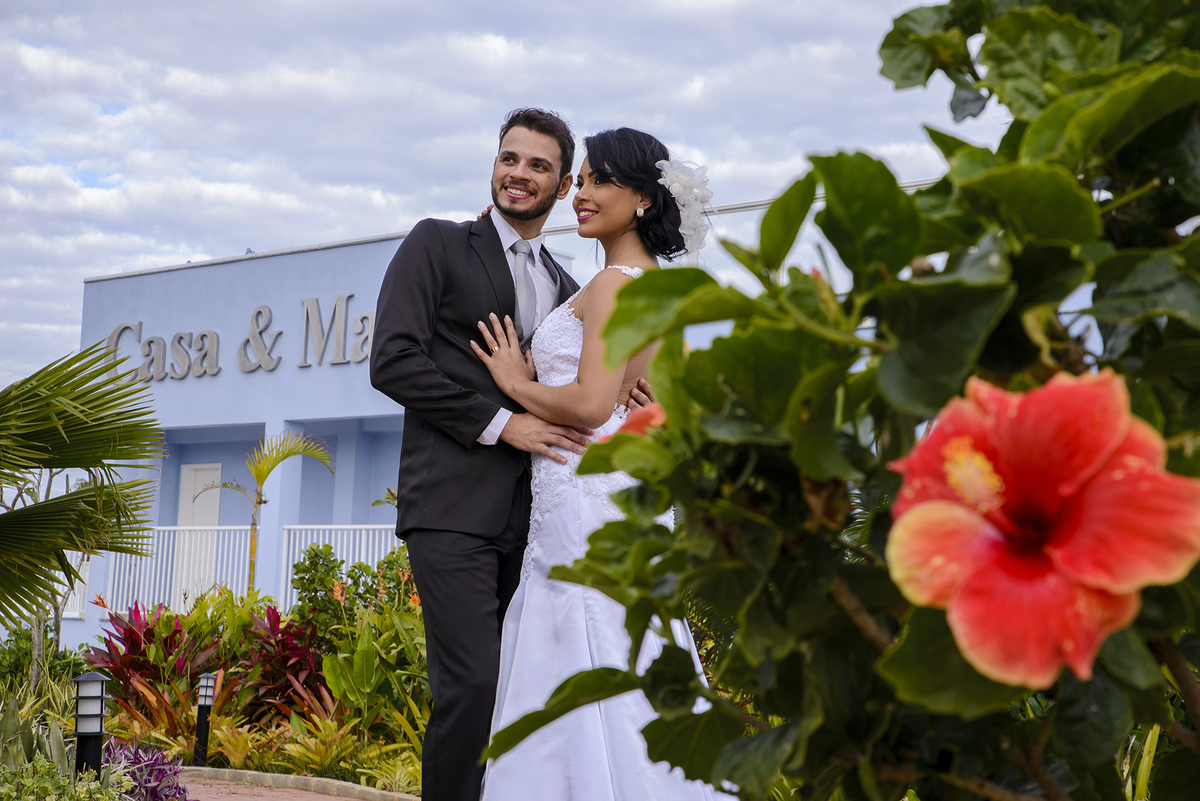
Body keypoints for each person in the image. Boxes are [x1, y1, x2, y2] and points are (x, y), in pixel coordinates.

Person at [369, 109, 652, 801]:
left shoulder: (566, 283)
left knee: (524, 692)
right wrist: (503, 421)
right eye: (508, 158)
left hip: (537, 520)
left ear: (561, 188)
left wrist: (629, 382)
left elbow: (583, 379)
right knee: (472, 685)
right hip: (453, 508)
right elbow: (392, 361)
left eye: (538, 166)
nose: (517, 174)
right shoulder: (435, 243)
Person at [471, 128, 722, 801]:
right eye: (578, 181)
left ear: (641, 196)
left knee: (584, 649)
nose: (579, 195)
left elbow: (587, 403)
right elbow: (668, 403)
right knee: (621, 650)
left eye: (595, 181)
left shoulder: (613, 283)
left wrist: (514, 380)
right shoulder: (659, 285)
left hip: (582, 502)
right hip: (617, 494)